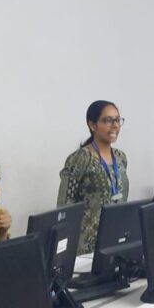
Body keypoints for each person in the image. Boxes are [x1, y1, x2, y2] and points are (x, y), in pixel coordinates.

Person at [58, 100, 130, 254]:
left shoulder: (120, 157)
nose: (115, 125)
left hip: (114, 239)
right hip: (85, 246)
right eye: (108, 120)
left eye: (117, 120)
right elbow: (64, 207)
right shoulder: (80, 158)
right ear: (92, 125)